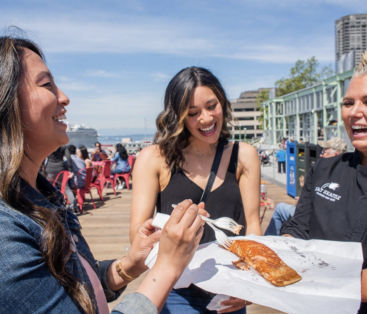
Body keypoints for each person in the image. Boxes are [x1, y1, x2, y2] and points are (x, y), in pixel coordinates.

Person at [0, 36, 204, 314]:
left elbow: (76, 288)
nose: (64, 97)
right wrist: (168, 266)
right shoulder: (5, 232)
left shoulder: (42, 194)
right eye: (47, 85)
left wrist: (130, 264)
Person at [130, 66, 261, 313]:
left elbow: (253, 226)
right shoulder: (153, 158)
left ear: (222, 102)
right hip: (176, 289)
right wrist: (176, 226)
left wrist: (251, 284)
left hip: (230, 289)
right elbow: (137, 234)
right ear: (177, 116)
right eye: (193, 113)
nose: (206, 118)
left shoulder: (244, 155)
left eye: (212, 106)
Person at [281, 51, 367, 313]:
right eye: (348, 103)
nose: (354, 112)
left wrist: (308, 278)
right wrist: (277, 259)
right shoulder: (324, 168)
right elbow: (298, 230)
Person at [265, 137, 347, 236]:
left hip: (315, 220)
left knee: (280, 208)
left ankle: (268, 245)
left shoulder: (321, 171)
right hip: (327, 219)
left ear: (335, 154)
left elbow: (302, 209)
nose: (320, 155)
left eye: (324, 152)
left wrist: (302, 199)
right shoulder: (348, 172)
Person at [45, 145, 78, 213]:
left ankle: (50, 208)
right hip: (61, 169)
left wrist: (42, 167)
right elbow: (68, 158)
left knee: (49, 189)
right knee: (66, 189)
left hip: (50, 169)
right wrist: (70, 170)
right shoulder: (63, 146)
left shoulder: (49, 145)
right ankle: (73, 207)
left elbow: (43, 157)